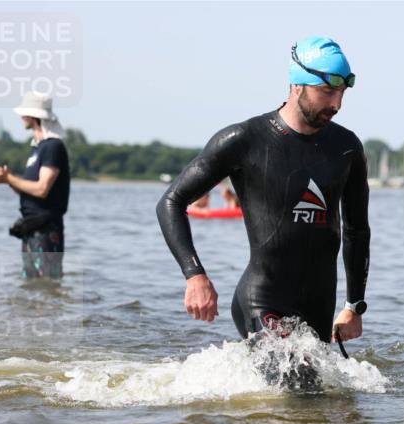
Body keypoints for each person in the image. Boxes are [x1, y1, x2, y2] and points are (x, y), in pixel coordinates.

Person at [157, 36, 370, 346]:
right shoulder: (245, 140)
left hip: (319, 307)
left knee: (314, 378)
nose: (336, 104)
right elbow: (171, 201)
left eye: (341, 93)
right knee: (291, 370)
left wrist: (354, 306)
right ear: (297, 85)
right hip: (262, 300)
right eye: (327, 91)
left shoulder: (346, 148)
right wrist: (195, 275)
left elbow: (357, 231)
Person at [0, 91, 71, 279]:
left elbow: (42, 189)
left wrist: (9, 179)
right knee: (31, 285)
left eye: (24, 112)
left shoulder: (53, 147)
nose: (21, 116)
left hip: (47, 229)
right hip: (31, 227)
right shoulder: (37, 149)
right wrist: (7, 179)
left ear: (33, 115)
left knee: (48, 282)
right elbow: (29, 189)